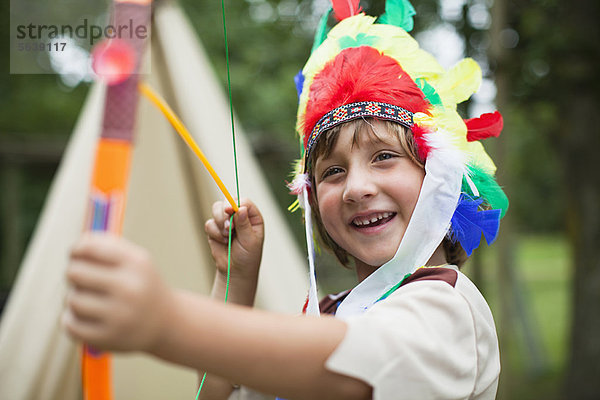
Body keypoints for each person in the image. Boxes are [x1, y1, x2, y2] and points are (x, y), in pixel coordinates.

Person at [63, 1, 508, 399]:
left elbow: (349, 369)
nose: (355, 188)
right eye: (332, 171)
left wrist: (166, 322)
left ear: (442, 177)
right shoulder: (325, 316)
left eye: (385, 157)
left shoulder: (447, 309)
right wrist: (235, 282)